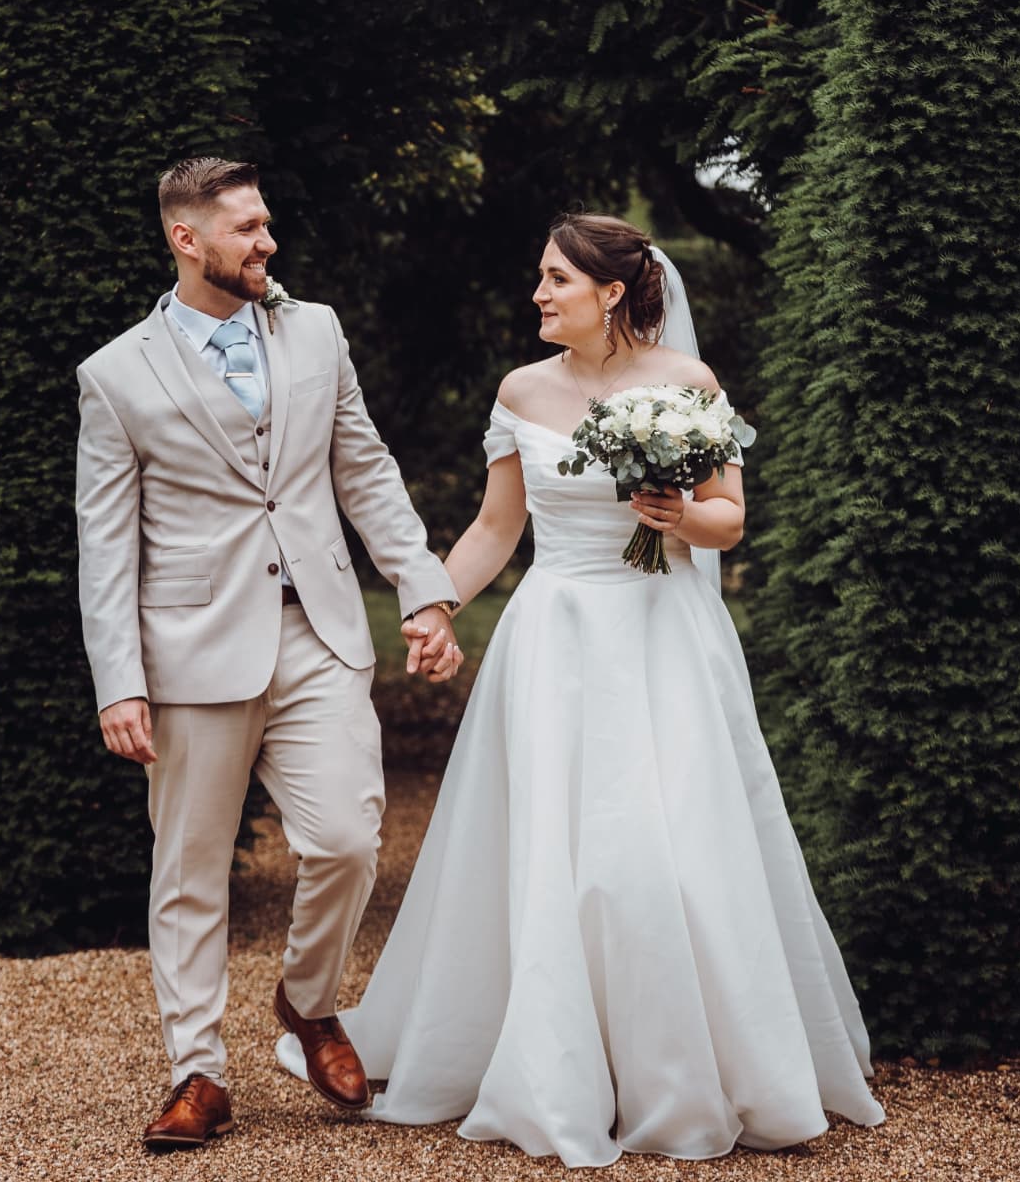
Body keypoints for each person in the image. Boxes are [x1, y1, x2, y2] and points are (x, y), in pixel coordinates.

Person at [277, 212, 886, 1166]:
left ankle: (680, 1073)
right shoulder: (522, 389)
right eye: (540, 276)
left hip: (662, 641)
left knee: (667, 855)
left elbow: (731, 521)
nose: (539, 294)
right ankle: (555, 1061)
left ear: (611, 292)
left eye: (556, 278)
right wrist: (432, 608)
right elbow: (493, 530)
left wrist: (681, 513)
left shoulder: (688, 386)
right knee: (554, 856)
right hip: (555, 638)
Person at [75, 157, 464, 1151]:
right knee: (192, 869)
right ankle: (197, 1074)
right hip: (192, 648)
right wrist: (119, 680)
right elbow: (106, 542)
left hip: (322, 632)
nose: (268, 242)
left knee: (347, 838)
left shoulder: (317, 331)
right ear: (186, 239)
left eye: (267, 222)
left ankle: (308, 998)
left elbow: (364, 467)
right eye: (246, 228)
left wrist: (421, 587)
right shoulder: (116, 375)